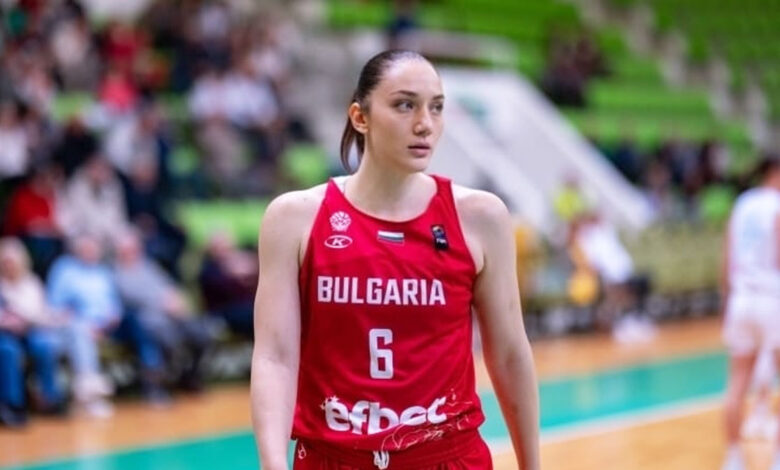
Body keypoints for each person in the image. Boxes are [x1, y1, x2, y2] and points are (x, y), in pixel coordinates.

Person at [251, 50, 539, 470]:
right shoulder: (294, 218)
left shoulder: (481, 217)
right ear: (360, 117)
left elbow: (510, 354)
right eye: (405, 105)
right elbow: (275, 357)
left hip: (448, 457)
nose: (425, 124)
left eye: (436, 107)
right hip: (332, 458)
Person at [720, 156, 780, 470]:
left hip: (741, 299)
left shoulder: (742, 204)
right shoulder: (777, 205)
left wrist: (726, 300)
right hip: (772, 298)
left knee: (737, 384)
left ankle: (733, 458)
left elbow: (727, 257)